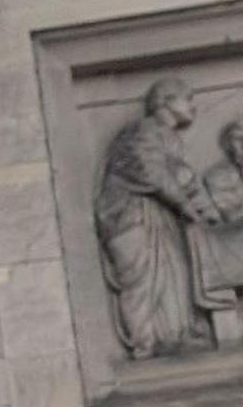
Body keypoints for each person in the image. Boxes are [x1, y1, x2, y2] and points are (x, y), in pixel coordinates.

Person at [96, 78, 229, 357]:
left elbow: (184, 178)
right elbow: (149, 171)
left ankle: (174, 335)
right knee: (141, 279)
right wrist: (184, 205)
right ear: (165, 101)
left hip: (159, 218)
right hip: (132, 217)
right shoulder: (143, 131)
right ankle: (145, 342)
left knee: (174, 276)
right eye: (187, 99)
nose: (193, 107)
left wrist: (208, 212)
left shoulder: (168, 137)